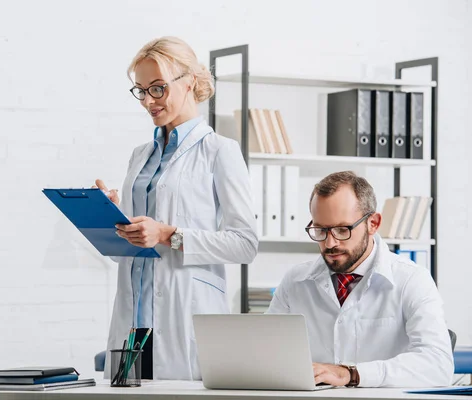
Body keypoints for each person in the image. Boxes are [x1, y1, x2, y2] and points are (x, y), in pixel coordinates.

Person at [96, 36, 258, 380]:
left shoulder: (220, 152)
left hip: (183, 317)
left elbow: (245, 243)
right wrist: (112, 219)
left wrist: (169, 235)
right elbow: (126, 251)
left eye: (157, 88)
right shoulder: (140, 156)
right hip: (133, 323)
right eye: (140, 91)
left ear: (190, 82)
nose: (148, 102)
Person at [267, 171, 453, 388]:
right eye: (320, 230)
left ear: (373, 223)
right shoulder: (295, 281)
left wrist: (351, 374)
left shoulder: (412, 280)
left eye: (341, 229)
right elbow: (266, 351)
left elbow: (438, 366)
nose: (329, 243)